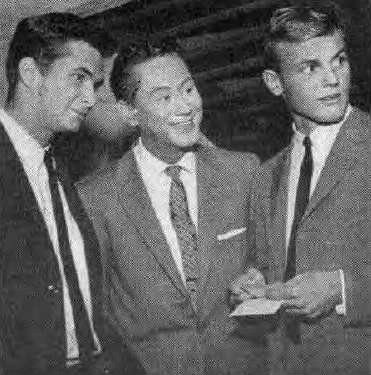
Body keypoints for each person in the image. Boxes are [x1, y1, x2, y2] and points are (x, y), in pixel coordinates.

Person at [77, 37, 267, 375]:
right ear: (129, 112)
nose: (184, 106)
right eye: (163, 97)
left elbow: (269, 264)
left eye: (188, 89)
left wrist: (259, 280)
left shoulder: (244, 171)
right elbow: (94, 314)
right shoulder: (95, 197)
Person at [0, 12, 145, 375]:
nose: (89, 99)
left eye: (94, 85)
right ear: (31, 74)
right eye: (78, 78)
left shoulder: (58, 168)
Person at [231, 2, 370, 375]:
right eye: (311, 67)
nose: (333, 80)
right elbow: (268, 267)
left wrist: (342, 290)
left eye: (339, 60)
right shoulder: (266, 176)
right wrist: (255, 283)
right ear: (274, 83)